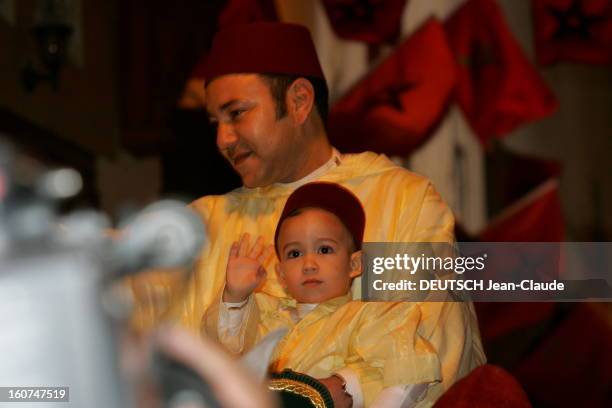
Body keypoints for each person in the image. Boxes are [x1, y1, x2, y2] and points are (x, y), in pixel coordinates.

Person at [132, 21, 484, 404]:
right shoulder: (201, 224)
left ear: (299, 101)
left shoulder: (401, 199)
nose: (222, 140)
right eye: (216, 123)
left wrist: (329, 392)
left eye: (237, 114)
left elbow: (427, 340)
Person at [206, 182, 468, 407]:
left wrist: (351, 386)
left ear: (354, 264)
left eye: (324, 250)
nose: (309, 263)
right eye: (295, 254)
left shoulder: (370, 317)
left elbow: (409, 375)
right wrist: (235, 296)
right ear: (282, 274)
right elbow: (225, 353)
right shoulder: (265, 316)